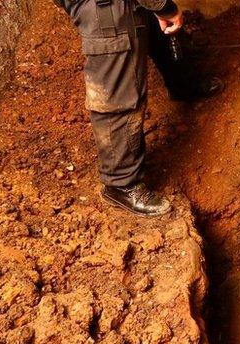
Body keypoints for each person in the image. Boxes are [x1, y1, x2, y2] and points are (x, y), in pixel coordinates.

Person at [54, 0, 222, 217]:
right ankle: (120, 183)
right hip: (103, 6)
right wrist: (164, 7)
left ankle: (183, 84)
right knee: (118, 91)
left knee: (152, 24)